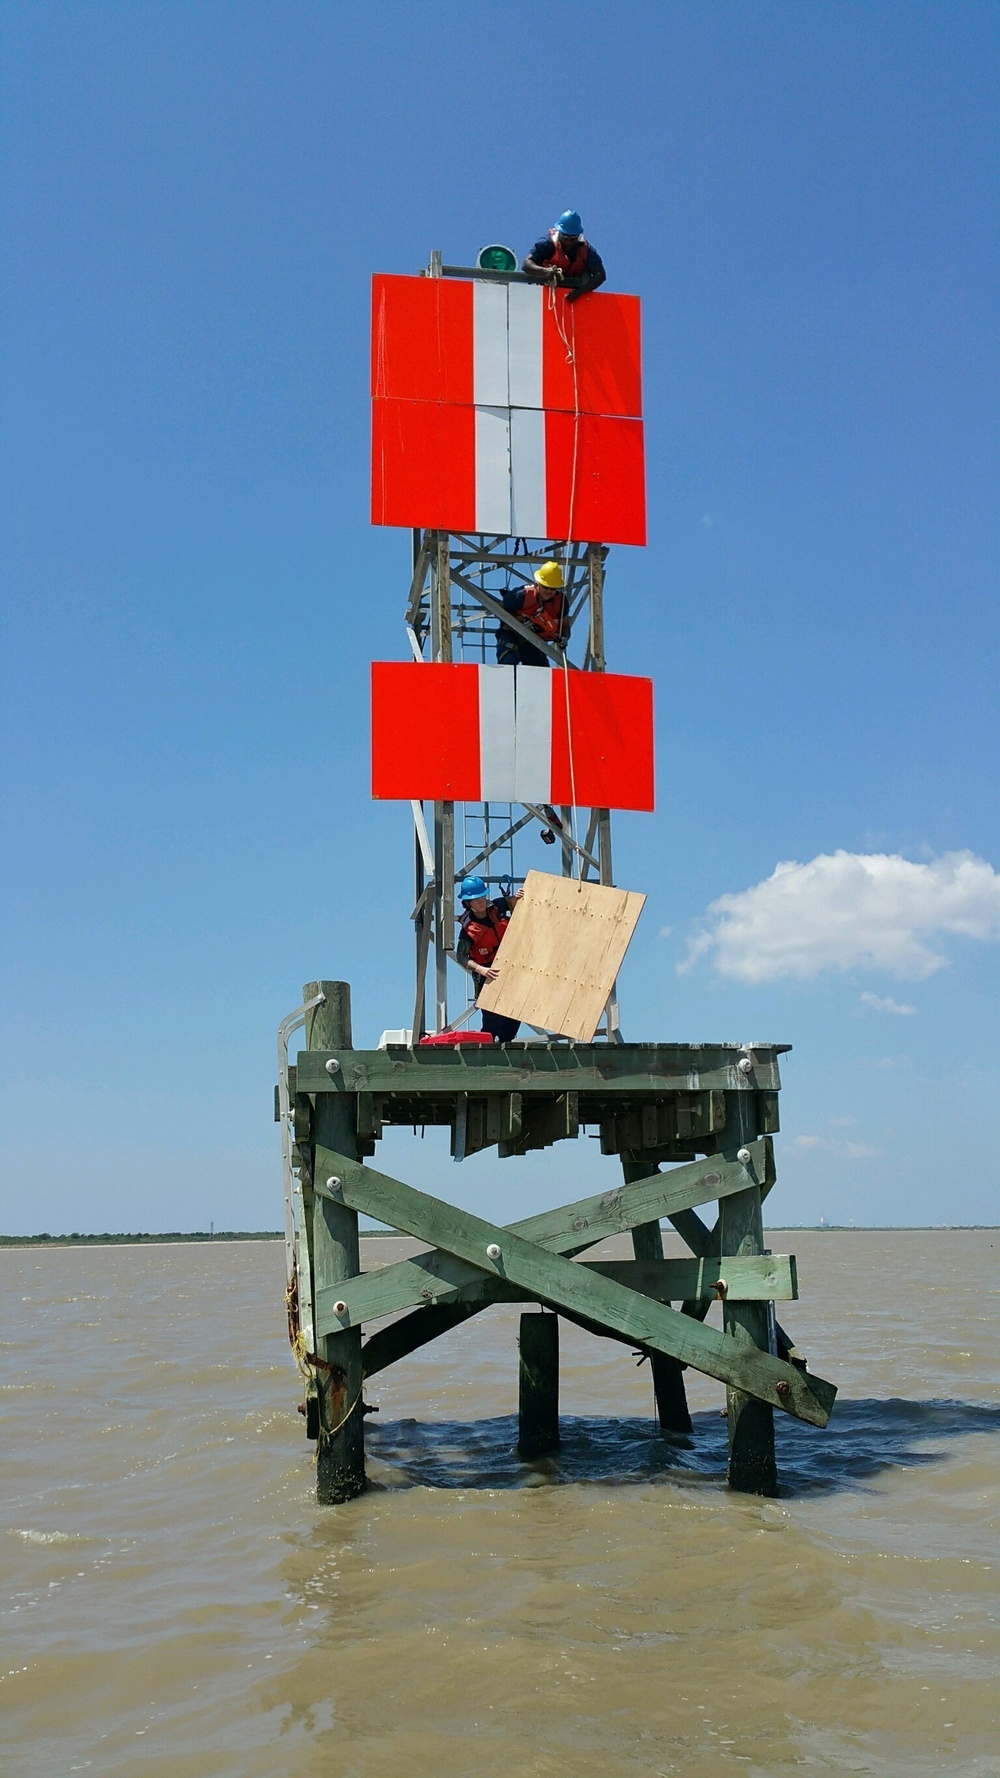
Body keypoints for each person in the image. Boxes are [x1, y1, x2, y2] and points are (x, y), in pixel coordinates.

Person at [456, 875, 524, 1043]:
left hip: (509, 966)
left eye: (482, 897)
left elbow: (513, 902)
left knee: (514, 1013)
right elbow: (461, 956)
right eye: (475, 899)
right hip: (487, 972)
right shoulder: (468, 930)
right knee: (491, 1019)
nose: (480, 902)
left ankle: (507, 1043)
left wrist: (519, 896)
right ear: (467, 903)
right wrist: (482, 970)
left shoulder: (498, 906)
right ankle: (488, 1047)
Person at [496, 560, 568, 668]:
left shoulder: (560, 602)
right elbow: (498, 611)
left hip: (535, 640)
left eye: (552, 588)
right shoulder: (521, 595)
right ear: (537, 584)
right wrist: (518, 620)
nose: (548, 591)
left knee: (539, 670)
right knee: (507, 664)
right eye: (545, 587)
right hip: (511, 634)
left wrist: (564, 637)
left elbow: (565, 625)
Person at [522, 210, 606, 302]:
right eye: (565, 237)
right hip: (546, 286)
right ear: (560, 232)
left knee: (586, 274)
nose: (568, 242)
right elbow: (526, 264)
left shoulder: (586, 250)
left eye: (573, 238)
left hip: (573, 289)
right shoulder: (547, 243)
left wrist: (579, 292)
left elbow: (600, 275)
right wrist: (546, 271)